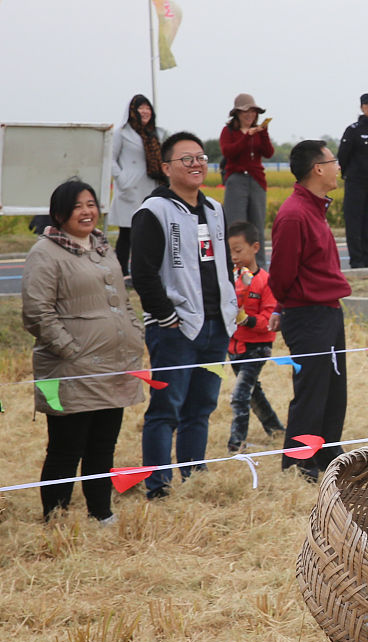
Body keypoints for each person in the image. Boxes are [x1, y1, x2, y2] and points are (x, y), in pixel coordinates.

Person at [22, 179, 145, 522]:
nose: (87, 211)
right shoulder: (45, 253)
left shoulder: (103, 247)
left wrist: (134, 335)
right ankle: (56, 517)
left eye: (91, 204)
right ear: (60, 213)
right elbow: (37, 313)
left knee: (103, 447)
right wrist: (70, 350)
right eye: (78, 206)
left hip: (115, 364)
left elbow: (122, 301)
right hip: (71, 369)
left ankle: (100, 512)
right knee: (66, 448)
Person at [131, 132, 238, 500]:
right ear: (166, 168)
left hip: (215, 326)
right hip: (175, 330)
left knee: (202, 406)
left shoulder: (214, 209)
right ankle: (157, 485)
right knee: (166, 409)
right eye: (185, 159)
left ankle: (193, 473)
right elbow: (142, 273)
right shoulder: (153, 210)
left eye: (201, 157)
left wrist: (231, 308)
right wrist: (166, 318)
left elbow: (223, 266)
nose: (196, 164)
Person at [269, 140, 353, 481]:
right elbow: (282, 276)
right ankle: (299, 463)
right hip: (308, 314)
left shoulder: (314, 209)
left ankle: (326, 453)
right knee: (312, 391)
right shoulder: (294, 214)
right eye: (333, 161)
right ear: (317, 168)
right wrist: (292, 306)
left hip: (327, 311)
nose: (338, 168)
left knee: (334, 390)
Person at [225, 221, 285, 452]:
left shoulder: (265, 282)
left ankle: (235, 444)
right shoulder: (230, 279)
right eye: (230, 251)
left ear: (255, 247)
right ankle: (276, 429)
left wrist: (247, 320)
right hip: (235, 346)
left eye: (238, 250)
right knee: (253, 393)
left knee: (240, 396)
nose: (234, 256)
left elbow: (269, 320)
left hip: (256, 348)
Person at [110, 94, 165, 278]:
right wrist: (122, 179)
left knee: (148, 232)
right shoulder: (121, 133)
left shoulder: (157, 134)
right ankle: (123, 273)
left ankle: (146, 271)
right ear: (132, 111)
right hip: (129, 189)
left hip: (150, 187)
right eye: (140, 108)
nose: (145, 111)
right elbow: (110, 159)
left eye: (147, 108)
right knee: (127, 232)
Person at [219, 93, 273, 269]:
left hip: (256, 180)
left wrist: (263, 134)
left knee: (257, 226)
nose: (250, 116)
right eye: (245, 112)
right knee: (236, 225)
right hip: (236, 180)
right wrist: (246, 137)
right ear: (237, 114)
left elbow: (268, 152)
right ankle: (235, 267)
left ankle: (259, 268)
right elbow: (229, 152)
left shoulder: (258, 132)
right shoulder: (229, 132)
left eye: (253, 112)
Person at [337, 93, 368, 268]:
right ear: (362, 107)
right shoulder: (353, 130)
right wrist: (349, 175)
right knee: (355, 223)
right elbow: (342, 156)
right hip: (356, 183)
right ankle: (357, 261)